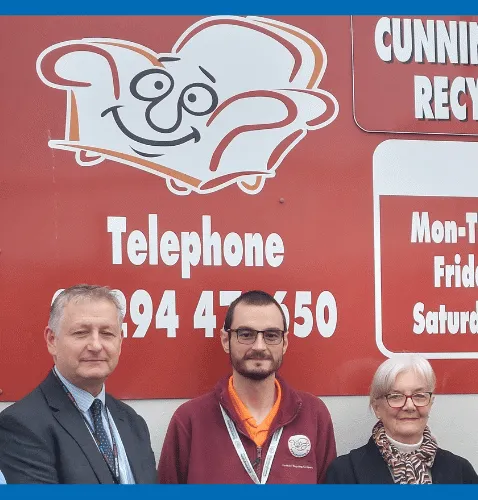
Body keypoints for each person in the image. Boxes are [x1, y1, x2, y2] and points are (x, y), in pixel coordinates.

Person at [158, 290, 336, 484]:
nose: (259, 346)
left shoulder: (314, 415)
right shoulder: (189, 420)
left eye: (271, 335)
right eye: (246, 334)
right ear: (226, 340)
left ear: (284, 343)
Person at [0, 284, 156, 484]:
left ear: (120, 342)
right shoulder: (21, 426)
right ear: (52, 340)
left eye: (107, 334)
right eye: (81, 333)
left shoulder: (133, 422)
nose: (96, 346)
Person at [326, 353, 478, 484]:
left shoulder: (462, 472)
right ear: (377, 407)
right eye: (396, 396)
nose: (410, 406)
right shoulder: (344, 474)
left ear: (431, 403)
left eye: (419, 395)